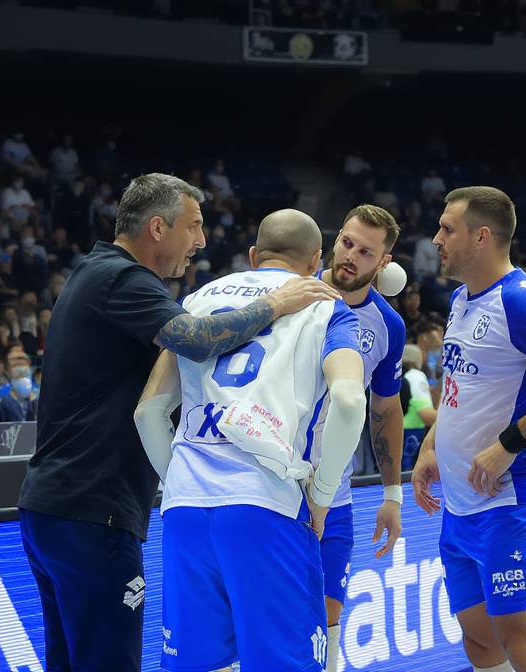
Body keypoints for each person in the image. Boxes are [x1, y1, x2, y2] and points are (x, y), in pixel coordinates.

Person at [17, 173, 339, 672]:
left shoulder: (94, 272)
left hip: (55, 505)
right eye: (194, 226)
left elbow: (150, 407)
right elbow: (196, 338)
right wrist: (275, 303)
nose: (202, 241)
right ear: (157, 227)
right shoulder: (122, 278)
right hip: (94, 507)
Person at [134, 208, 364, 672]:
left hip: (184, 509)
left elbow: (147, 412)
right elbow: (350, 402)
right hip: (266, 503)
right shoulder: (326, 306)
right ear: (316, 259)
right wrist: (320, 496)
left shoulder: (196, 302)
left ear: (255, 255)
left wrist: (179, 479)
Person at [408, 186, 526, 672]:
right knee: (481, 643)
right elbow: (457, 388)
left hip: (510, 499)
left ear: (481, 237)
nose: (437, 239)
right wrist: (431, 444)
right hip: (459, 501)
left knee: (524, 645)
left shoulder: (521, 301)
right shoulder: (459, 300)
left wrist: (508, 446)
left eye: (447, 229)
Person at [315, 204, 407, 671]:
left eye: (366, 251)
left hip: (336, 497)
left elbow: (386, 410)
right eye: (347, 242)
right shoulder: (294, 287)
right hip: (273, 491)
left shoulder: (388, 325)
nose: (350, 256)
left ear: (384, 263)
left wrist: (392, 493)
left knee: (328, 635)